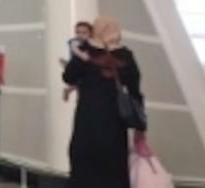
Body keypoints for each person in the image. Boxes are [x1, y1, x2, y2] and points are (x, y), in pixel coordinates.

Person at [62, 15, 146, 188]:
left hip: (87, 120)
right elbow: (135, 92)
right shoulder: (126, 55)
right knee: (112, 169)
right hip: (114, 123)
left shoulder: (86, 51)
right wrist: (141, 127)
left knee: (84, 166)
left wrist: (78, 54)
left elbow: (68, 77)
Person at [61, 21, 93, 102]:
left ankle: (68, 90)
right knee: (79, 83)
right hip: (75, 66)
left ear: (90, 34)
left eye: (84, 33)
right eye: (78, 32)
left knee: (79, 83)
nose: (80, 35)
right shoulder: (75, 42)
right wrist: (82, 55)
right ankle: (73, 95)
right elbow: (74, 49)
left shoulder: (89, 43)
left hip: (82, 67)